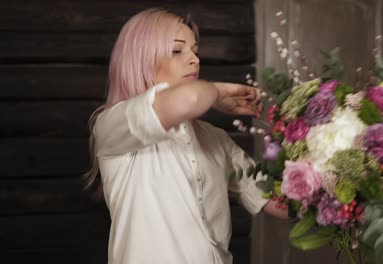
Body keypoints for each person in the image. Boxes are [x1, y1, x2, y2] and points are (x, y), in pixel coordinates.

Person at [83, 8, 288, 264]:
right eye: (177, 50)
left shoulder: (216, 139)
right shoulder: (112, 125)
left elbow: (279, 203)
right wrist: (218, 93)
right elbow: (191, 98)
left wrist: (328, 169)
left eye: (195, 51)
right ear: (142, 59)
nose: (194, 59)